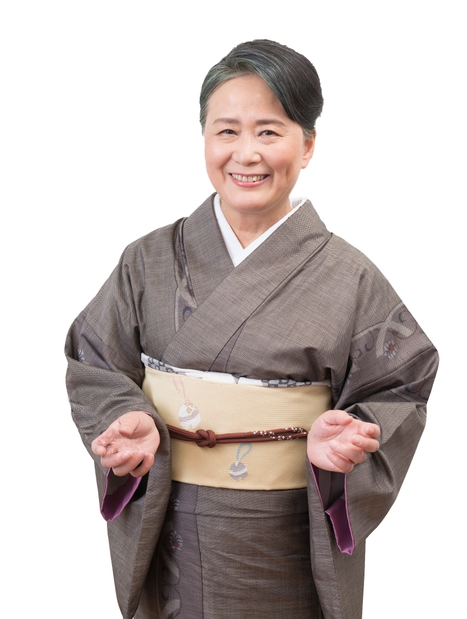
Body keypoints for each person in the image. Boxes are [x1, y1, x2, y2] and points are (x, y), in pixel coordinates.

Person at [65, 39, 438, 619]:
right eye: (227, 131)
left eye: (269, 131)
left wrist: (344, 442)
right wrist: (125, 420)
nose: (247, 153)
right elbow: (94, 358)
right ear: (204, 139)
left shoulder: (350, 276)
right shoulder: (148, 260)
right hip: (172, 527)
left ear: (307, 144)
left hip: (282, 538)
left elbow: (402, 383)